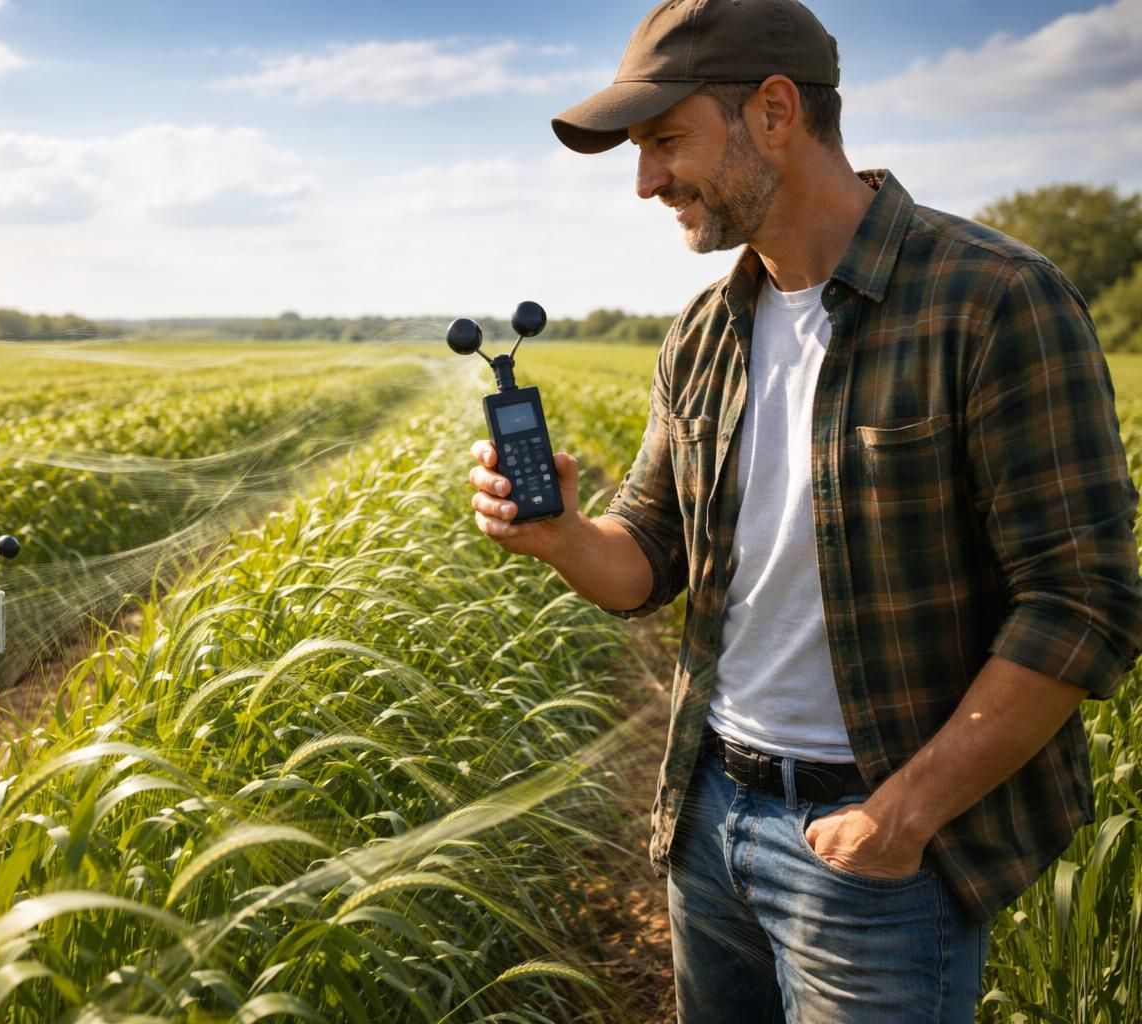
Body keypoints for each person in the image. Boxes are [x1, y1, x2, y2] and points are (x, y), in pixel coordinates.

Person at [466, 1, 1142, 1021]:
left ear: (774, 112)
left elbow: (1082, 601)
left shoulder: (994, 300)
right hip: (709, 819)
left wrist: (900, 816)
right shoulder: (702, 330)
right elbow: (648, 556)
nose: (646, 181)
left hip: (875, 854)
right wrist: (560, 533)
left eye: (664, 141)